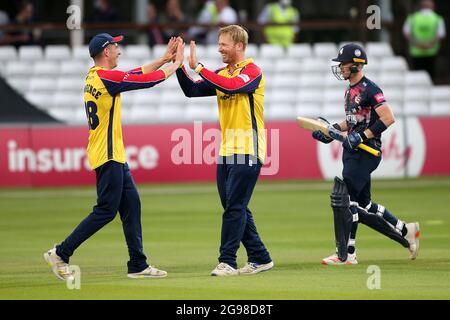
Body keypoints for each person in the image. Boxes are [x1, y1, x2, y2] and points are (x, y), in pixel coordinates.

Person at [44, 33, 184, 280]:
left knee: (132, 206)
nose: (119, 49)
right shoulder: (106, 78)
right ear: (105, 51)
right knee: (106, 210)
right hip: (107, 155)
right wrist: (176, 65)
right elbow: (147, 81)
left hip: (112, 154)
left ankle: (138, 264)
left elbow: (136, 73)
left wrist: (163, 59)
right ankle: (60, 253)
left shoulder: (95, 75)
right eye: (115, 45)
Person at [175, 25, 273, 276]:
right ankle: (260, 257)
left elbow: (230, 87)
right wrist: (179, 66)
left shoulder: (252, 71)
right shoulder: (222, 73)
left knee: (235, 207)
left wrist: (199, 67)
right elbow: (192, 90)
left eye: (224, 44)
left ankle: (227, 261)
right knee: (234, 206)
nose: (219, 48)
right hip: (227, 149)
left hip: (248, 148)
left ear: (239, 46)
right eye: (219, 44)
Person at [312, 43, 420, 265]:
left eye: (343, 63)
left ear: (356, 64)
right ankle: (405, 230)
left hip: (366, 152)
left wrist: (362, 137)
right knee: (365, 203)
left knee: (347, 201)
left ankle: (348, 254)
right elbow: (352, 122)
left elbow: (388, 118)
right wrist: (331, 131)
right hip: (352, 151)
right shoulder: (350, 90)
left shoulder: (371, 89)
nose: (340, 67)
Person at [403, 0, 446, 80]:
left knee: (417, 77)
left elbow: (407, 33)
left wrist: (418, 44)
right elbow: (440, 34)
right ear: (432, 7)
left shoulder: (412, 18)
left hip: (416, 52)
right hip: (431, 51)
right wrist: (429, 45)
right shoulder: (437, 18)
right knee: (430, 77)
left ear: (421, 7)